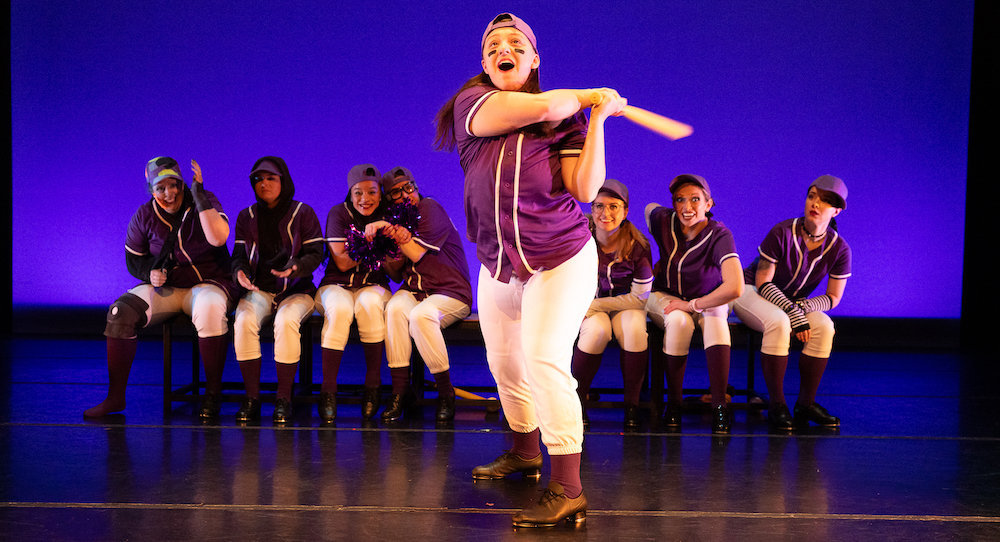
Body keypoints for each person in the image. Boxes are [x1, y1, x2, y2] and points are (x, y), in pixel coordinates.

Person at [433, 12, 626, 528]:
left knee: (543, 361)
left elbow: (585, 190)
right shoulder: (472, 105)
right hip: (498, 265)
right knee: (504, 364)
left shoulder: (564, 119)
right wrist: (588, 94)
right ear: (484, 63)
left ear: (534, 58)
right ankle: (524, 450)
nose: (505, 48)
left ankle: (567, 486)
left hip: (560, 260)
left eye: (516, 43)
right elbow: (549, 102)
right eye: (494, 44)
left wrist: (599, 121)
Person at [84, 157, 237, 419]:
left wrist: (198, 194)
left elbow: (219, 237)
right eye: (160, 188)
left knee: (210, 308)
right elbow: (134, 261)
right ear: (151, 190)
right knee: (120, 313)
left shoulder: (203, 200)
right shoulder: (144, 216)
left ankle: (212, 393)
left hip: (209, 284)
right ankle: (115, 397)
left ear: (181, 183)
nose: (169, 193)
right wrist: (150, 273)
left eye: (173, 185)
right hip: (170, 290)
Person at [732, 175, 851, 430]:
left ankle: (805, 404)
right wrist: (791, 311)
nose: (815, 204)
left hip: (793, 303)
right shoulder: (783, 231)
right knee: (778, 322)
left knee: (825, 326)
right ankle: (777, 404)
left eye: (825, 201)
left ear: (837, 210)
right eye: (812, 197)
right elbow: (763, 281)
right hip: (750, 291)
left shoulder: (839, 248)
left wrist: (802, 308)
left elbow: (833, 297)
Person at [366, 166, 474, 423]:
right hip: (417, 290)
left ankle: (446, 393)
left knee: (421, 316)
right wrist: (382, 247)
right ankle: (400, 392)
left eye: (409, 187)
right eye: (396, 192)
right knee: (393, 308)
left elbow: (416, 254)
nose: (406, 195)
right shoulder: (398, 222)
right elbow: (394, 273)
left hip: (450, 291)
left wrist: (387, 228)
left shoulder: (429, 207)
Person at [645, 174, 744, 434]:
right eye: (680, 200)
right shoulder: (663, 220)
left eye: (695, 200)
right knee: (678, 323)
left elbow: (735, 287)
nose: (687, 207)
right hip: (665, 293)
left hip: (706, 297)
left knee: (716, 320)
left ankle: (720, 406)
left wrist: (693, 305)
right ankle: (674, 404)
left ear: (709, 204)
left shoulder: (719, 234)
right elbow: (649, 209)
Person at [231, 157, 324, 424]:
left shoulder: (303, 212)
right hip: (260, 289)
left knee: (285, 321)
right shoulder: (246, 216)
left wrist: (295, 267)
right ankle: (252, 397)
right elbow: (238, 256)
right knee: (244, 319)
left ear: (283, 180)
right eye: (258, 179)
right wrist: (239, 273)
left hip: (297, 290)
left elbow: (316, 254)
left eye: (271, 178)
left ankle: (283, 397)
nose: (264, 184)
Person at [313, 164, 393, 422]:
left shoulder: (388, 216)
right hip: (337, 285)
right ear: (350, 193)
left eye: (371, 192)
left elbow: (396, 266)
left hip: (373, 285)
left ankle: (372, 386)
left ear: (380, 193)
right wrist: (377, 245)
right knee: (339, 309)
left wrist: (368, 245)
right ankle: (328, 390)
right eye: (358, 192)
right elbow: (342, 262)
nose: (365, 199)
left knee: (370, 304)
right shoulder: (338, 212)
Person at [571, 179, 653, 428]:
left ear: (625, 211)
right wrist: (584, 306)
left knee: (635, 330)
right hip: (586, 303)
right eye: (598, 206)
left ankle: (632, 404)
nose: (605, 213)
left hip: (624, 304)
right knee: (596, 331)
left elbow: (640, 297)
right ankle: (577, 402)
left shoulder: (637, 245)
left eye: (614, 206)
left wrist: (596, 307)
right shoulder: (578, 235)